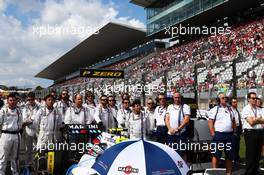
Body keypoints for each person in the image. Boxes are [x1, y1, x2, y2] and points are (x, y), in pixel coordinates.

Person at [208, 93, 235, 175]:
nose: (225, 99)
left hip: (229, 135)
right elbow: (210, 122)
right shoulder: (215, 109)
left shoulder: (230, 109)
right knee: (216, 155)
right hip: (219, 135)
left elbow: (233, 121)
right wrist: (213, 133)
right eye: (223, 98)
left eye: (226, 98)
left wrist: (233, 131)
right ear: (219, 100)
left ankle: (229, 173)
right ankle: (214, 172)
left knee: (229, 156)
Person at [0, 93, 23, 175]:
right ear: (7, 101)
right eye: (10, 100)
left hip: (16, 135)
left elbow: (20, 123)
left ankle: (15, 172)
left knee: (15, 157)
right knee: (3, 157)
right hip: (6, 135)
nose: (12, 102)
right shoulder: (3, 110)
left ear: (16, 101)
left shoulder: (19, 110)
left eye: (14, 100)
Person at [242, 92, 264, 175]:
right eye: (253, 98)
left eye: (256, 98)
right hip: (250, 133)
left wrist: (256, 119)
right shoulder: (246, 109)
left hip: (259, 132)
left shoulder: (258, 109)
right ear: (248, 99)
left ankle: (255, 172)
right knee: (251, 155)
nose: (255, 99)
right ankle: (249, 173)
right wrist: (258, 119)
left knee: (257, 155)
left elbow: (263, 121)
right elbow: (251, 122)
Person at [166, 92, 190, 160]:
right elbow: (167, 119)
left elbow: (186, 119)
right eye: (175, 97)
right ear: (173, 98)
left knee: (182, 152)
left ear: (181, 98)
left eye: (178, 97)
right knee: (171, 152)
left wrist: (178, 129)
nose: (177, 99)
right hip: (171, 134)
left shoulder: (185, 106)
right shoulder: (170, 107)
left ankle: (184, 168)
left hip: (181, 133)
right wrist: (170, 129)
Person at [22, 92, 40, 168]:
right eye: (29, 100)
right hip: (28, 130)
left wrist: (30, 119)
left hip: (37, 130)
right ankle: (27, 164)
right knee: (28, 149)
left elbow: (38, 119)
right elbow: (24, 120)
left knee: (39, 147)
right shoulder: (25, 107)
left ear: (34, 99)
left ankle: (38, 162)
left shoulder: (39, 107)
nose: (30, 101)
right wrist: (32, 118)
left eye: (32, 99)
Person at [230, 97, 243, 162]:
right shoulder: (229, 110)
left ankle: (236, 157)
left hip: (238, 128)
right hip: (232, 129)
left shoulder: (237, 110)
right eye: (234, 102)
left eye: (236, 102)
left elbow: (239, 120)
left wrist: (241, 129)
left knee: (237, 144)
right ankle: (232, 157)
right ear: (231, 103)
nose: (236, 103)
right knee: (232, 144)